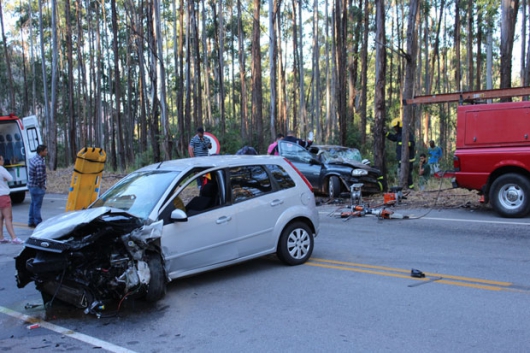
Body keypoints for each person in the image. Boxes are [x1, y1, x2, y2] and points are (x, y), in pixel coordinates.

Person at [385, 118, 415, 189]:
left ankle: (411, 188)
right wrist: (386, 133)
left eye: (395, 127)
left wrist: (406, 143)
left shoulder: (407, 133)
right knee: (402, 174)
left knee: (408, 175)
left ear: (399, 126)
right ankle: (405, 187)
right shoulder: (399, 134)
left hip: (408, 159)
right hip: (401, 159)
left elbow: (413, 143)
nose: (395, 129)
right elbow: (393, 138)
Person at [0, 155, 23, 244]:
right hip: (3, 194)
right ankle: (14, 237)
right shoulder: (1, 169)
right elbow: (10, 177)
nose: (3, 161)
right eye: (2, 159)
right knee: (8, 217)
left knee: (0, 218)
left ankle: (1, 236)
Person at [28, 144, 48, 228]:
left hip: (31, 185)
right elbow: (39, 177)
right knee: (37, 205)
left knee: (33, 204)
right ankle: (38, 222)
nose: (46, 152)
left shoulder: (34, 159)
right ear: (41, 152)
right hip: (37, 187)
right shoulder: (39, 162)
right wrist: (42, 186)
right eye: (45, 151)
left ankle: (31, 220)